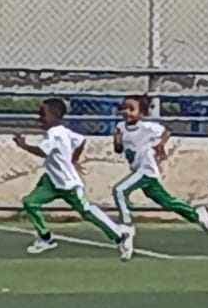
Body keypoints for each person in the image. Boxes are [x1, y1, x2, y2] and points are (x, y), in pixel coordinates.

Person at [13, 98, 133, 259]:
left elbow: (43, 151)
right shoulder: (64, 131)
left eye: (43, 114)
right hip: (51, 180)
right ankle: (46, 238)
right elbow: (81, 140)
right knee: (30, 202)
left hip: (67, 184)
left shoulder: (55, 133)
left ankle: (120, 235)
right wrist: (74, 159)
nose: (40, 118)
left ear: (55, 115)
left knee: (86, 211)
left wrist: (23, 145)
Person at [110, 95, 208, 235]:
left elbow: (166, 131)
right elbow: (118, 149)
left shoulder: (147, 127)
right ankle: (196, 215)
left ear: (141, 113)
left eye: (131, 109)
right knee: (166, 202)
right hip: (138, 170)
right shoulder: (120, 127)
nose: (127, 112)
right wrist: (117, 141)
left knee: (119, 190)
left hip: (146, 170)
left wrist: (160, 145)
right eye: (124, 108)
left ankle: (126, 225)